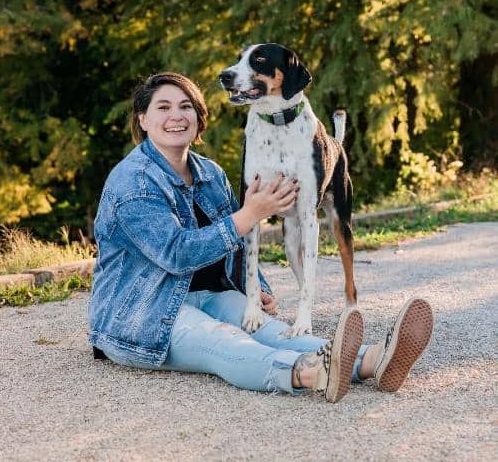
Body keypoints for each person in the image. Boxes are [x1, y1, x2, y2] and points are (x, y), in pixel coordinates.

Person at [88, 72, 434, 403]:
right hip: (140, 314)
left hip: (205, 296)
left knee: (271, 331)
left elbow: (237, 244)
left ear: (198, 117)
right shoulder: (134, 182)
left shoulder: (208, 172)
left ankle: (373, 360)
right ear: (143, 120)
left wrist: (259, 285)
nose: (176, 116)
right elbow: (177, 253)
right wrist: (250, 214)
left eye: (186, 106)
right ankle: (311, 374)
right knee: (225, 340)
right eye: (163, 107)